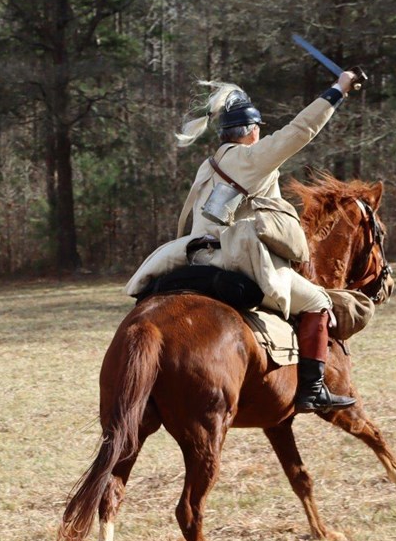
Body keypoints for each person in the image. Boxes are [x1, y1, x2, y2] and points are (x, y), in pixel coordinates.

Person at [124, 71, 359, 413]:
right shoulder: (250, 158)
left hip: (193, 257)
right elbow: (299, 131)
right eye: (259, 130)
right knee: (318, 301)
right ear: (252, 132)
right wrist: (338, 89)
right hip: (233, 259)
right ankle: (313, 390)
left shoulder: (209, 165)